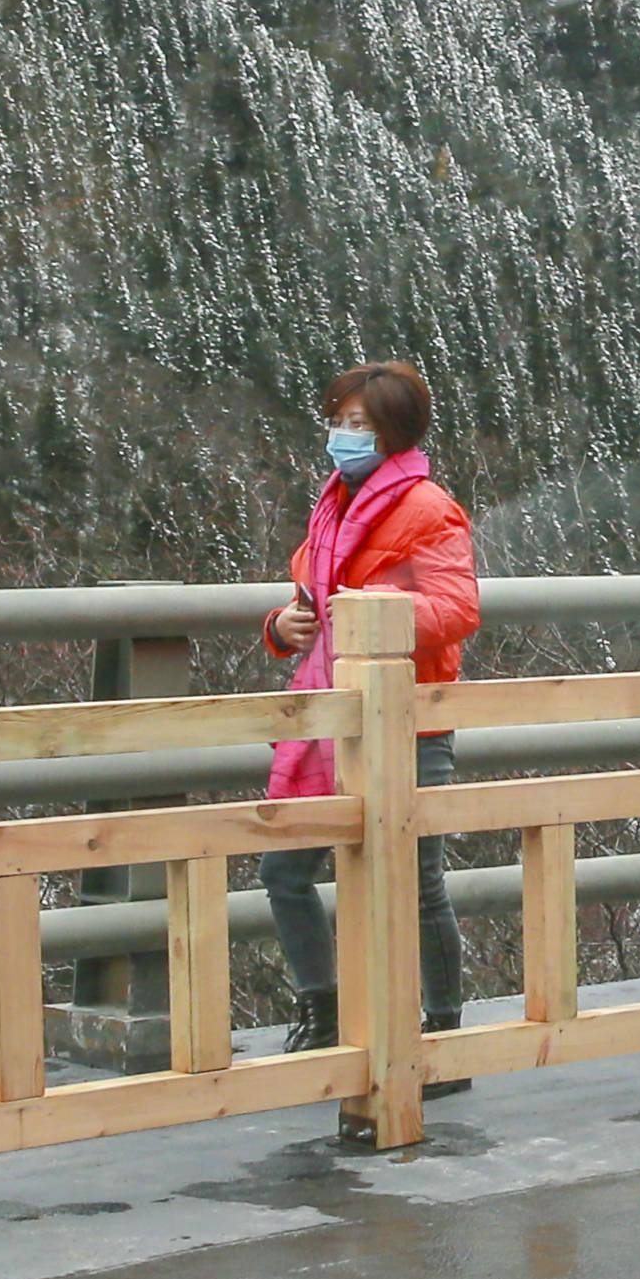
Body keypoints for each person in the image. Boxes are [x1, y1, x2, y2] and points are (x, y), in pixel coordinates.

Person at [258, 362, 479, 1080]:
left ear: (396, 433)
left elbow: (456, 611)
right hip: (331, 714)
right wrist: (281, 625)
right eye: (340, 420)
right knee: (284, 866)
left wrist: (369, 610)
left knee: (417, 882)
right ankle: (322, 1012)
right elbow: (308, 603)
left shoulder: (427, 507)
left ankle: (442, 1035)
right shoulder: (332, 504)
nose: (345, 435)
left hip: (410, 718)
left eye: (362, 424)